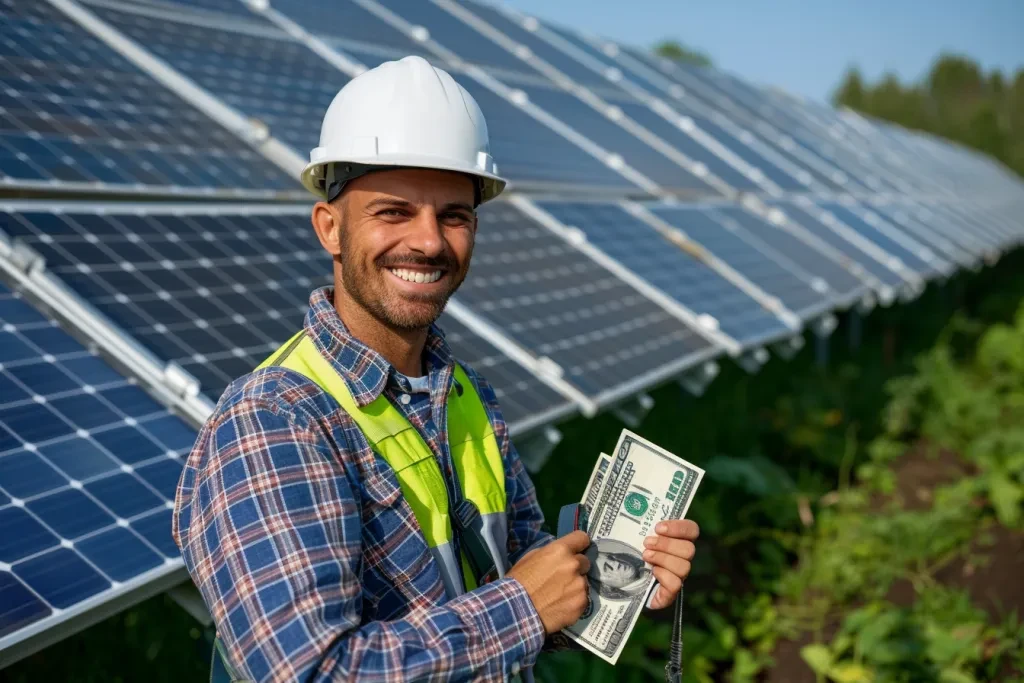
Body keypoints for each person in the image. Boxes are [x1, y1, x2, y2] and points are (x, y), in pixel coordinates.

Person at [173, 55, 700, 682]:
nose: (428, 241)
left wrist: (616, 583)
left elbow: (515, 599)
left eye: (454, 215)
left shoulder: (465, 396)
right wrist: (524, 607)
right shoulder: (275, 422)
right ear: (330, 229)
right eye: (394, 211)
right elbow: (311, 672)